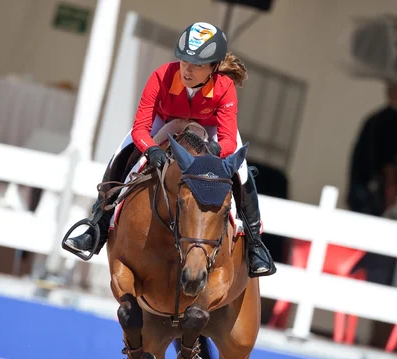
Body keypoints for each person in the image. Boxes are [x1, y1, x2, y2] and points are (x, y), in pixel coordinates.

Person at [64, 22, 276, 278]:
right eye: (184, 61)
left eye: (197, 65)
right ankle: (95, 228)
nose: (186, 70)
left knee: (241, 170)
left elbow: (229, 139)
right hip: (167, 122)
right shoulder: (161, 76)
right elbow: (140, 128)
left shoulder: (224, 88)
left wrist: (214, 149)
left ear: (214, 67)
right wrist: (151, 149)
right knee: (122, 152)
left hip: (209, 131)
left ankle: (254, 243)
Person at [346, 83, 397, 286]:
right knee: (373, 255)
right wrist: (392, 201)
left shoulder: (374, 118)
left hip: (360, 190)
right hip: (373, 196)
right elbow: (389, 163)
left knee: (356, 248)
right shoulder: (395, 120)